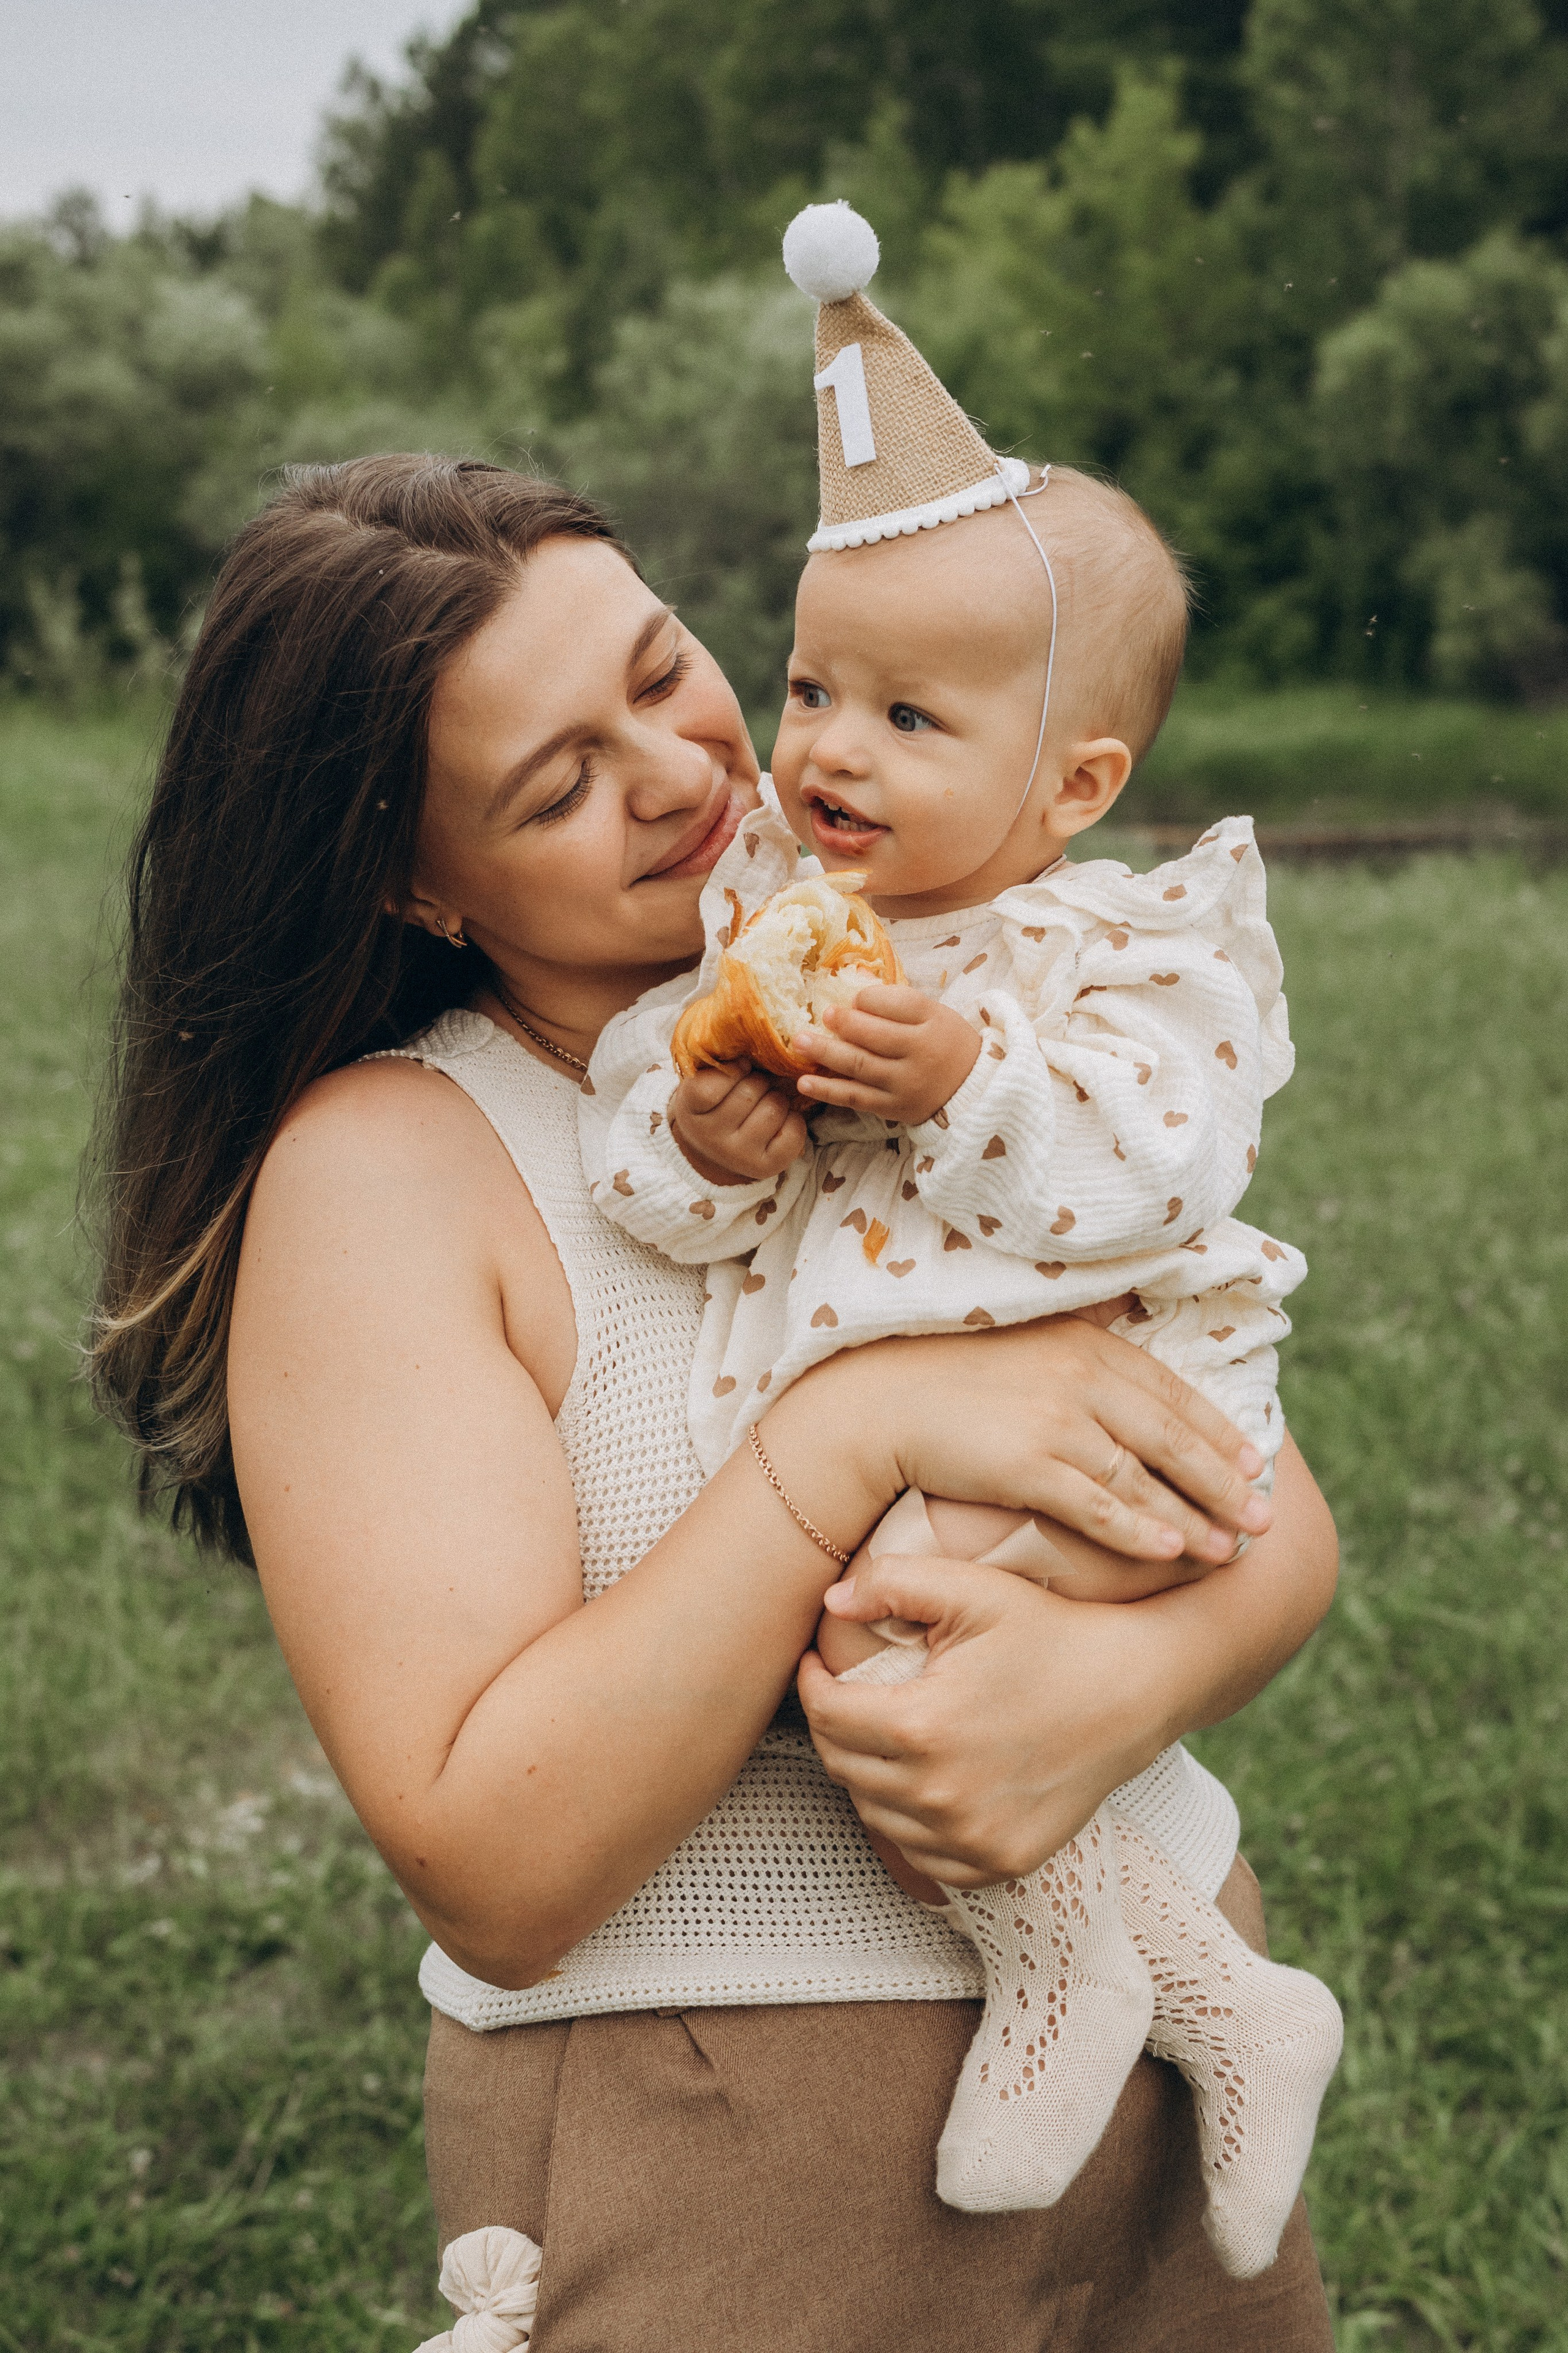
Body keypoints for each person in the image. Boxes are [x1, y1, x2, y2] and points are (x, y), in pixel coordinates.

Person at [88, 450, 1338, 2352]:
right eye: (557, 784)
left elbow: (1263, 1506)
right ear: (418, 879)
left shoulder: (935, 988)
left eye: (665, 672)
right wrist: (851, 1440)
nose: (681, 774)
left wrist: (1110, 1692)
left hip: (1177, 2103)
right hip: (739, 2141)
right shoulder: (394, 1169)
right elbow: (494, 1857)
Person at [581, 204, 1343, 2269]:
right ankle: (1216, 1998)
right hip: (934, 1434)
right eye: (814, 685)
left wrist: (963, 1082)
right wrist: (714, 1134)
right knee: (879, 1651)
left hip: (1130, 1400)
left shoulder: (1109, 953)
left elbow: (1162, 1161)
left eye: (912, 719)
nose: (829, 745)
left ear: (1074, 780)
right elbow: (650, 1176)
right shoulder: (773, 926)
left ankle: (1068, 1970)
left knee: (884, 1652)